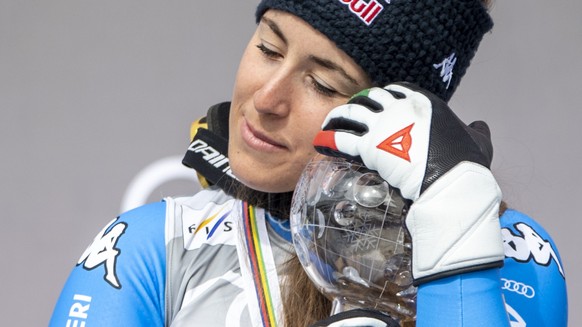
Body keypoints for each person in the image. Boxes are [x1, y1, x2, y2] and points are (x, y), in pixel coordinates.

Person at [49, 0, 568, 326]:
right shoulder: (154, 247)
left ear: (400, 115)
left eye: (323, 83)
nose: (267, 99)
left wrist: (457, 231)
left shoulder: (514, 253)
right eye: (269, 48)